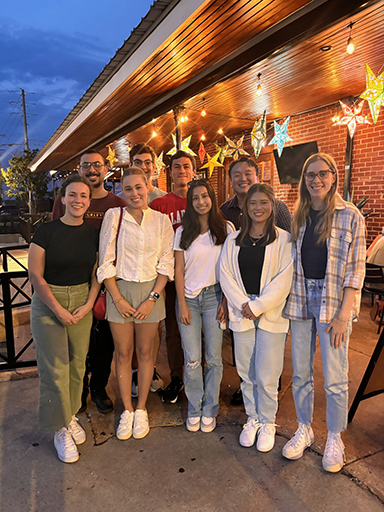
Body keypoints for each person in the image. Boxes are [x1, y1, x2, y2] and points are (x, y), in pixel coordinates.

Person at [282, 153, 366, 473]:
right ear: (304, 180)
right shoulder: (299, 214)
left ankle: (335, 436)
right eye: (309, 175)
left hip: (333, 304)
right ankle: (304, 428)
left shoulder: (350, 216)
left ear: (333, 176)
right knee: (301, 372)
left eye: (322, 174)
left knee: (335, 377)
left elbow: (355, 271)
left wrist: (344, 314)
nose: (316, 180)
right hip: (302, 298)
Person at [97, 168, 174, 440]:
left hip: (151, 292)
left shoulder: (161, 221)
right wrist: (116, 297)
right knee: (123, 353)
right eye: (128, 189)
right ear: (121, 191)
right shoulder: (113, 217)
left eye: (139, 187)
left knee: (145, 354)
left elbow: (166, 263)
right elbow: (105, 260)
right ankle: (126, 410)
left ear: (148, 186)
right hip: (120, 289)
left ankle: (141, 408)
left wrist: (152, 298)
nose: (134, 193)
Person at [29, 175, 100, 463]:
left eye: (83, 196)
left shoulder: (93, 233)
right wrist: (58, 309)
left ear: (89, 200)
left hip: (82, 300)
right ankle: (59, 428)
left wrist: (89, 304)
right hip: (49, 303)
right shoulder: (45, 232)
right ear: (62, 198)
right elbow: (35, 274)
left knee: (76, 366)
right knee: (54, 368)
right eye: (72, 195)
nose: (78, 201)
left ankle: (69, 416)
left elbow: (97, 272)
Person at [52, 149, 127, 415]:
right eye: (86, 165)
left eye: (97, 165)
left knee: (104, 342)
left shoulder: (118, 203)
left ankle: (98, 387)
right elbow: (55, 236)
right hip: (73, 283)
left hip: (107, 284)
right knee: (76, 342)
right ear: (79, 168)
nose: (92, 170)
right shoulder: (66, 200)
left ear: (106, 169)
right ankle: (79, 388)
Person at [220, 183, 293, 451]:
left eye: (263, 202)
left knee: (268, 372)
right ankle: (252, 418)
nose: (258, 207)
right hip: (242, 312)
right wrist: (242, 303)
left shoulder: (284, 239)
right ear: (246, 208)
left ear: (272, 206)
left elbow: (284, 278)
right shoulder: (233, 239)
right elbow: (225, 274)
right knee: (246, 370)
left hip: (271, 312)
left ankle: (268, 421)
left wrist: (259, 305)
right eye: (253, 203)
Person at [174, 180, 234, 432]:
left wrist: (225, 300)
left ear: (212, 198)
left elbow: (231, 269)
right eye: (195, 198)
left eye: (205, 196)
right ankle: (194, 407)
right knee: (192, 359)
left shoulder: (226, 229)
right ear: (190, 202)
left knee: (214, 358)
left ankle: (210, 408)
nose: (201, 202)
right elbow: (178, 270)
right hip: (188, 299)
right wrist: (182, 304)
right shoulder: (181, 231)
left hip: (214, 297)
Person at [151, 150, 197, 403]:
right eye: (176, 167)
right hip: (169, 279)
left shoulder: (201, 199)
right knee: (173, 330)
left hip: (198, 277)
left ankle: (197, 376)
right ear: (170, 172)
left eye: (186, 166)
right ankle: (177, 376)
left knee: (198, 329)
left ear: (193, 171)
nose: (181, 171)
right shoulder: (159, 205)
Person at [127, 143, 167, 396]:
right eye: (138, 162)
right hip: (130, 277)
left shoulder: (163, 198)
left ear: (154, 165)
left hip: (158, 276)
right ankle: (134, 372)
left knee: (156, 328)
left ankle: (149, 369)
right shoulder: (124, 200)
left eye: (147, 162)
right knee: (131, 327)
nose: (143, 166)